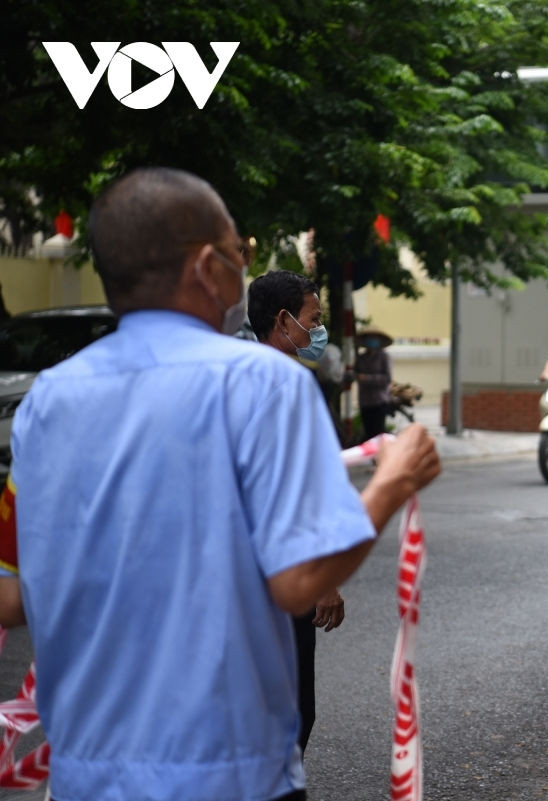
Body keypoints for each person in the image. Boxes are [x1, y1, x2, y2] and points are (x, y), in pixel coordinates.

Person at [0, 167, 441, 801]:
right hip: (227, 774)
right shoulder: (266, 385)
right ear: (207, 266)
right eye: (239, 252)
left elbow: (12, 598)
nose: (244, 267)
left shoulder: (47, 400)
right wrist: (391, 484)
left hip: (85, 776)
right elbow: (300, 579)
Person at [248, 269, 348, 754]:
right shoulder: (286, 387)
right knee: (291, 713)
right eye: (314, 319)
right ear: (284, 320)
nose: (317, 330)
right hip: (283, 581)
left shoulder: (235, 377)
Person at [355, 327, 394, 440]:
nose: (371, 340)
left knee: (378, 433)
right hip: (365, 401)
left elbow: (387, 378)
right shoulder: (361, 358)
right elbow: (355, 374)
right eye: (369, 338)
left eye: (374, 338)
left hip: (379, 401)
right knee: (368, 433)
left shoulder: (384, 357)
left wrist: (366, 378)